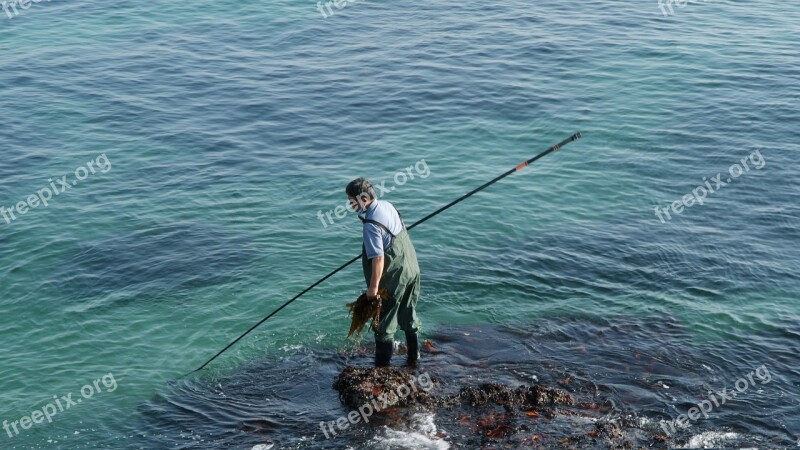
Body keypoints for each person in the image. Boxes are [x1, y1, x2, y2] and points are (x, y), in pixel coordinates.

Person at [346, 177, 421, 367]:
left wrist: (372, 289)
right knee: (408, 314)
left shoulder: (371, 224)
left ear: (363, 199)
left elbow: (379, 259)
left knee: (385, 325)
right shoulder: (388, 206)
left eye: (351, 200)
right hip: (412, 269)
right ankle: (414, 359)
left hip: (394, 277)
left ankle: (382, 369)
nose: (349, 204)